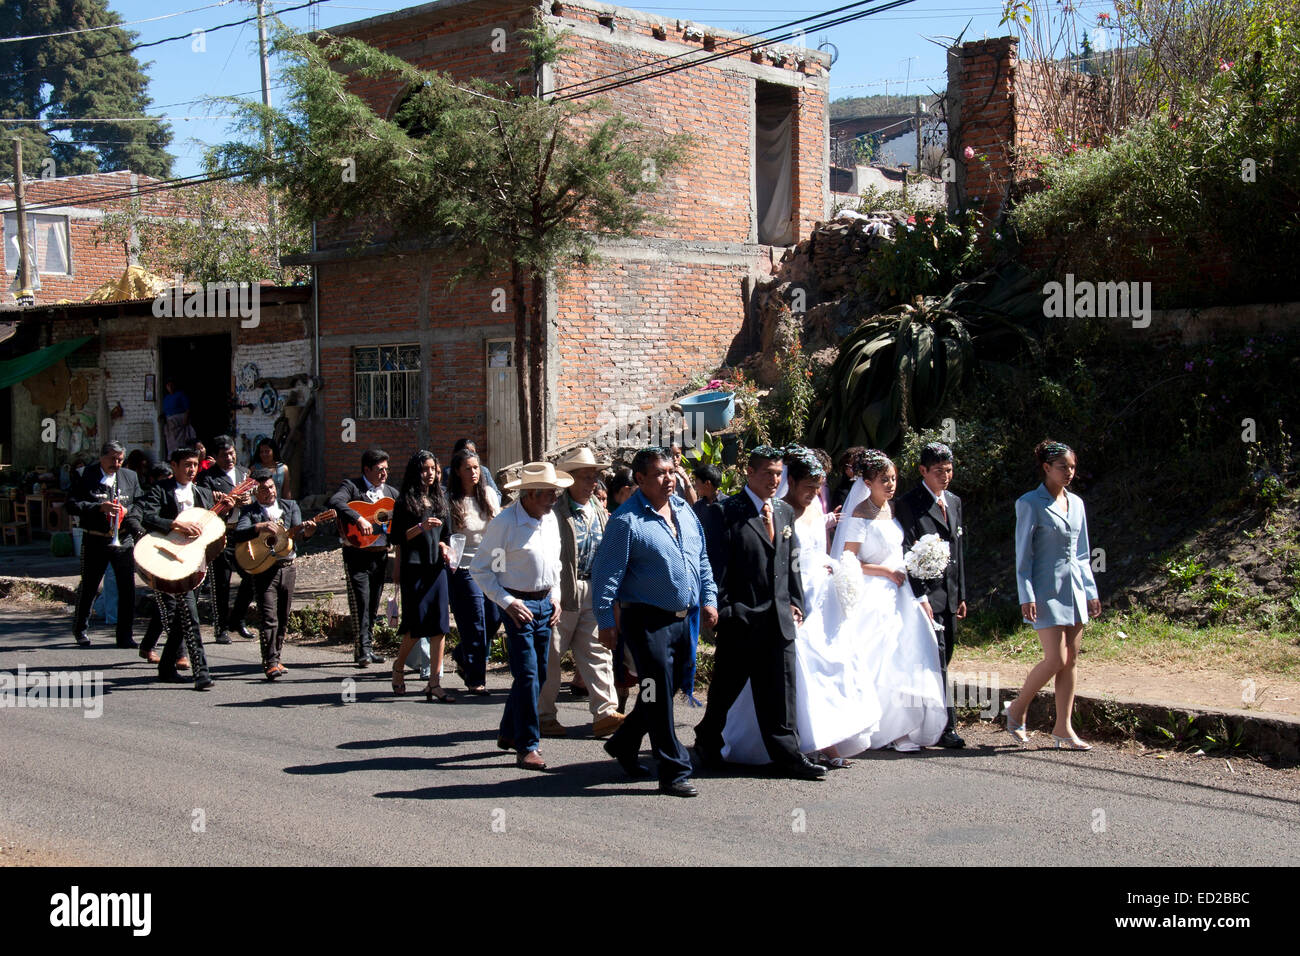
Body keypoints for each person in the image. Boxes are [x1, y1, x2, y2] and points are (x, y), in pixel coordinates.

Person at [721, 446, 882, 767]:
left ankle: (827, 739)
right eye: (808, 488)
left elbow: (816, 550)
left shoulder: (811, 509)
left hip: (820, 598)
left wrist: (833, 568)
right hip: (791, 599)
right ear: (791, 482)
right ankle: (800, 743)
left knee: (832, 667)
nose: (813, 494)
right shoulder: (779, 511)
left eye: (817, 489)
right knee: (802, 670)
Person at [693, 446, 826, 780]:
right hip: (742, 616)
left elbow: (790, 558)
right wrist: (723, 608)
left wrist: (797, 600)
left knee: (781, 689)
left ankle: (788, 755)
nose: (774, 479)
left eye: (779, 473)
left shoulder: (782, 511)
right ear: (749, 473)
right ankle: (707, 737)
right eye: (767, 472)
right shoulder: (726, 511)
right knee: (727, 688)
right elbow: (713, 562)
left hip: (779, 617)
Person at [592, 447, 717, 797]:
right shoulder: (626, 521)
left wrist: (709, 599)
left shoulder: (684, 512)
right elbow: (606, 576)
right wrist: (605, 621)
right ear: (641, 479)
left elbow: (701, 559)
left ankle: (625, 742)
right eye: (660, 474)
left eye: (671, 471)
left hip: (683, 619)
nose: (669, 479)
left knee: (667, 684)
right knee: (657, 689)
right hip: (645, 621)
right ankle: (673, 769)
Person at [829, 449, 948, 751]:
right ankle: (879, 726)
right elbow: (848, 560)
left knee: (906, 655)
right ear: (867, 482)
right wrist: (884, 571)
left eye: (894, 479)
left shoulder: (891, 510)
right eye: (884, 479)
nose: (891, 484)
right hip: (874, 590)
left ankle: (903, 726)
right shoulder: (859, 515)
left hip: (901, 590)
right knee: (879, 658)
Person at [469, 462, 567, 771]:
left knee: (538, 674)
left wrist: (556, 594)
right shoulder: (506, 524)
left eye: (555, 493)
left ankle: (509, 730)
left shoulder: (549, 519)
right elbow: (481, 570)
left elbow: (556, 563)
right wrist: (507, 602)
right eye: (548, 494)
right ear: (530, 494)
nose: (554, 499)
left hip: (545, 605)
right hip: (518, 608)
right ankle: (528, 746)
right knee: (527, 676)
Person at [1004, 440, 1101, 750]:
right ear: (1047, 468)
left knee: (1070, 660)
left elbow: (1082, 553)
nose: (1069, 472)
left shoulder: (1078, 504)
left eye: (1073, 467)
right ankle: (1017, 709)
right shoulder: (1029, 503)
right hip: (1044, 590)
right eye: (1063, 467)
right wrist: (1026, 595)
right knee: (1055, 658)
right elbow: (1023, 556)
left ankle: (1063, 728)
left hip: (1073, 589)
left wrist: (1090, 590)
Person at [538, 447, 625, 739]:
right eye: (586, 478)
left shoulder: (597, 509)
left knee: (598, 652)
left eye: (594, 478)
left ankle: (605, 712)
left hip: (594, 590)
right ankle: (543, 715)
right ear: (569, 479)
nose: (592, 484)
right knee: (551, 655)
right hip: (562, 591)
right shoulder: (554, 510)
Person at [893, 441, 968, 749]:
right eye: (938, 471)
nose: (945, 476)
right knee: (937, 662)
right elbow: (907, 551)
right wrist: (920, 595)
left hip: (949, 594)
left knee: (945, 656)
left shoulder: (954, 501)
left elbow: (959, 550)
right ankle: (947, 727)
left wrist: (961, 591)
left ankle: (930, 719)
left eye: (949, 470)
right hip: (925, 597)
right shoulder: (909, 503)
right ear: (923, 470)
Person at [131, 447, 217, 690]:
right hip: (171, 559)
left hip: (196, 561)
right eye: (187, 464)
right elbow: (148, 516)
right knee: (190, 615)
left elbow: (211, 525)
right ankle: (201, 672)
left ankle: (166, 666)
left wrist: (228, 507)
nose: (191, 469)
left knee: (182, 618)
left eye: (195, 464)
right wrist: (175, 525)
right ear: (174, 466)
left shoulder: (202, 493)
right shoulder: (161, 490)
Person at [233, 467, 316, 679]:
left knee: (283, 616)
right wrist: (260, 527)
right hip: (264, 570)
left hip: (288, 567)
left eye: (271, 487)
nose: (269, 491)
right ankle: (270, 662)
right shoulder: (250, 512)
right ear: (255, 493)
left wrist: (307, 532)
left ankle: (276, 657)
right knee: (268, 616)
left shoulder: (290, 506)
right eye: (263, 489)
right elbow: (239, 534)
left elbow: (297, 533)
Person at [388, 451, 455, 701]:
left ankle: (434, 683)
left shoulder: (440, 499)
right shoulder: (405, 501)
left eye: (433, 469)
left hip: (436, 568)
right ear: (416, 471)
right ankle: (398, 668)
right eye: (425, 469)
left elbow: (447, 535)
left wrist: (445, 547)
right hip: (414, 569)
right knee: (415, 628)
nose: (430, 474)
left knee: (439, 627)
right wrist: (420, 528)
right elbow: (396, 538)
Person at [67, 441, 141, 648]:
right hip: (95, 538)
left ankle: (125, 635)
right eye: (112, 459)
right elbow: (71, 505)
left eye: (120, 460)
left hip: (123, 539)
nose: (116, 464)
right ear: (102, 457)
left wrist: (129, 513)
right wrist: (99, 507)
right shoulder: (85, 475)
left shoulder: (130, 476)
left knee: (127, 588)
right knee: (90, 585)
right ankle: (80, 628)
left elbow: (139, 503)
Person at [329, 448, 399, 667]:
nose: (384, 474)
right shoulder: (351, 487)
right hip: (356, 554)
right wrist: (359, 519)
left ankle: (368, 647)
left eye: (386, 469)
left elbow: (401, 516)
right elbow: (335, 502)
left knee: (372, 603)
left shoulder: (391, 493)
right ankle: (362, 650)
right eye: (379, 470)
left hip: (379, 555)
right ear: (366, 469)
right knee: (360, 601)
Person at [446, 447, 502, 695]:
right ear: (458, 472)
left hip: (492, 566)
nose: (473, 473)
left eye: (476, 467)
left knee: (494, 618)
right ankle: (476, 679)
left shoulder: (489, 494)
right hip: (465, 568)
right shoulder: (450, 500)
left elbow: (499, 530)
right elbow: (446, 536)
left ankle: (461, 653)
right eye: (468, 468)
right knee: (476, 622)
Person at [199, 435, 254, 645]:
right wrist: (227, 503)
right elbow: (205, 506)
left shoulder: (243, 473)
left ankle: (237, 619)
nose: (229, 458)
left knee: (251, 576)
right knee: (221, 583)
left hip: (243, 533)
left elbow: (255, 498)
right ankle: (220, 628)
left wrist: (249, 500)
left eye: (232, 453)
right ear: (216, 456)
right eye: (224, 455)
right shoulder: (207, 478)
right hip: (221, 533)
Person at [161, 379, 196, 455]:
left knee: (182, 440)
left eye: (171, 385)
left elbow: (187, 409)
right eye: (168, 385)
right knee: (171, 441)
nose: (170, 387)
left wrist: (185, 420)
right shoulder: (166, 398)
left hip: (180, 421)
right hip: (170, 422)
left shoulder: (180, 394)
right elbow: (165, 411)